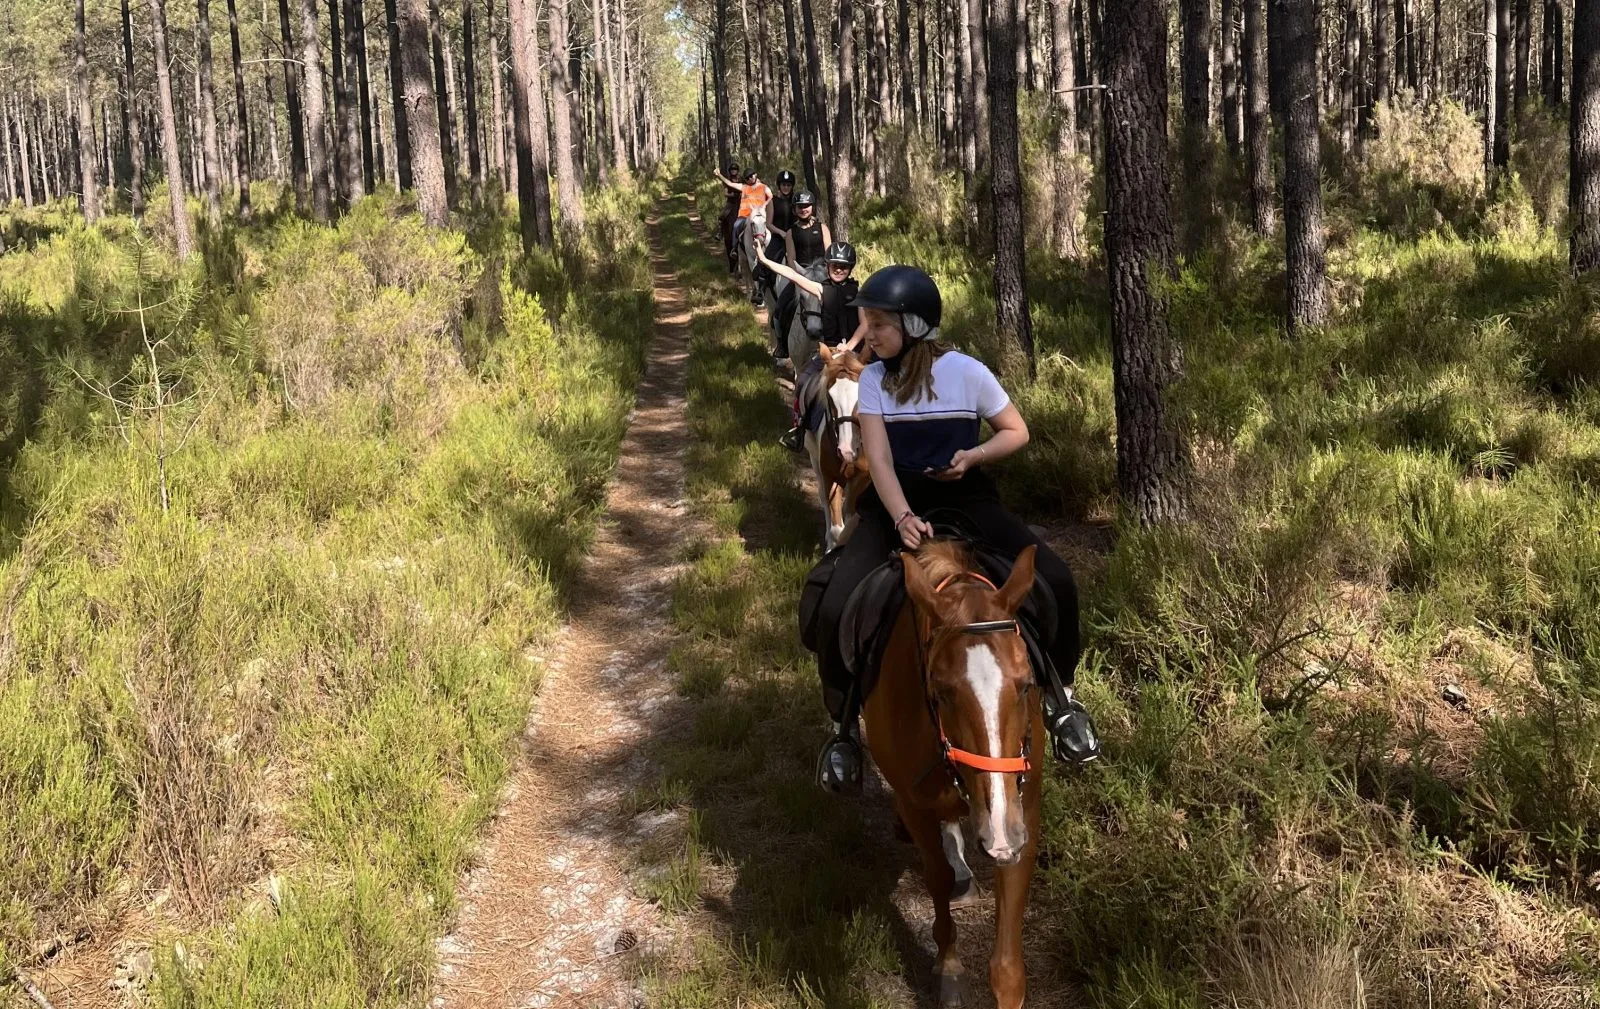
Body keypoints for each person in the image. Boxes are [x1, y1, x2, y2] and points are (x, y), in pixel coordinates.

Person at [809, 265, 1100, 792]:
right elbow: (876, 458)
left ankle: (1062, 701)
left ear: (914, 324)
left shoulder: (968, 372)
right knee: (833, 604)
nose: (868, 334)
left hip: (967, 497)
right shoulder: (873, 379)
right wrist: (901, 517)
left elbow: (1017, 431)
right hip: (895, 502)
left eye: (879, 324)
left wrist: (973, 456)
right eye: (867, 323)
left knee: (1055, 579)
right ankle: (843, 730)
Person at [754, 238, 865, 451]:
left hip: (854, 354)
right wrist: (764, 259)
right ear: (828, 267)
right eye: (834, 266)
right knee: (804, 381)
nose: (838, 270)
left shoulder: (858, 294)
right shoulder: (821, 290)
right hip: (828, 352)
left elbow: (866, 324)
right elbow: (793, 275)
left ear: (850, 269)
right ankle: (800, 428)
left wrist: (850, 345)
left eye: (843, 267)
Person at [715, 160, 743, 276]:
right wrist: (734, 194)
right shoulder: (728, 181)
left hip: (740, 204)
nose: (733, 172)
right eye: (732, 170)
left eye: (735, 170)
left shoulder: (741, 180)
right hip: (731, 203)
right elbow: (726, 193)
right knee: (722, 216)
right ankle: (720, 232)